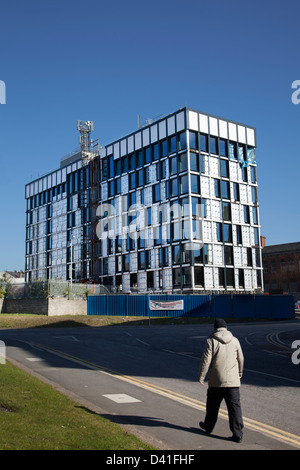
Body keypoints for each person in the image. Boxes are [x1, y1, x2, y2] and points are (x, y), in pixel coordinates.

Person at [198, 318, 244, 443]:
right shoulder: (235, 340)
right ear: (226, 328)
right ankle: (237, 434)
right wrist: (239, 373)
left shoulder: (211, 341)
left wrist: (202, 376)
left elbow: (206, 360)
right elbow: (241, 358)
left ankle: (208, 426)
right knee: (234, 408)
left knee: (212, 406)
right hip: (233, 381)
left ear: (215, 328)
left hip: (216, 380)